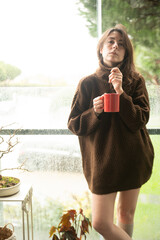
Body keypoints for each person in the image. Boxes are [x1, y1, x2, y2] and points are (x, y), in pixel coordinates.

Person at [67, 24, 154, 240]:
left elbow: (140, 120)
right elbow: (74, 124)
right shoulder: (87, 83)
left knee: (126, 213)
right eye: (111, 41)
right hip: (102, 162)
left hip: (133, 158)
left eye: (121, 44)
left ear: (126, 52)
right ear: (101, 48)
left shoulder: (135, 81)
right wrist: (94, 112)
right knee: (101, 222)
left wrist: (120, 92)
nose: (115, 46)